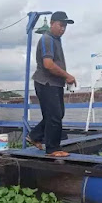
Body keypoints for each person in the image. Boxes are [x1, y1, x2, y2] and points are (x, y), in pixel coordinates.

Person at [27, 11, 77, 157]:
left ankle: (35, 136)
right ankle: (52, 149)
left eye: (65, 26)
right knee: (54, 116)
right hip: (46, 83)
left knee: (57, 114)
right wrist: (67, 75)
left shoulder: (56, 40)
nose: (63, 29)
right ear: (52, 23)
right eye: (61, 25)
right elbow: (48, 64)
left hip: (55, 84)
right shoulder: (47, 39)